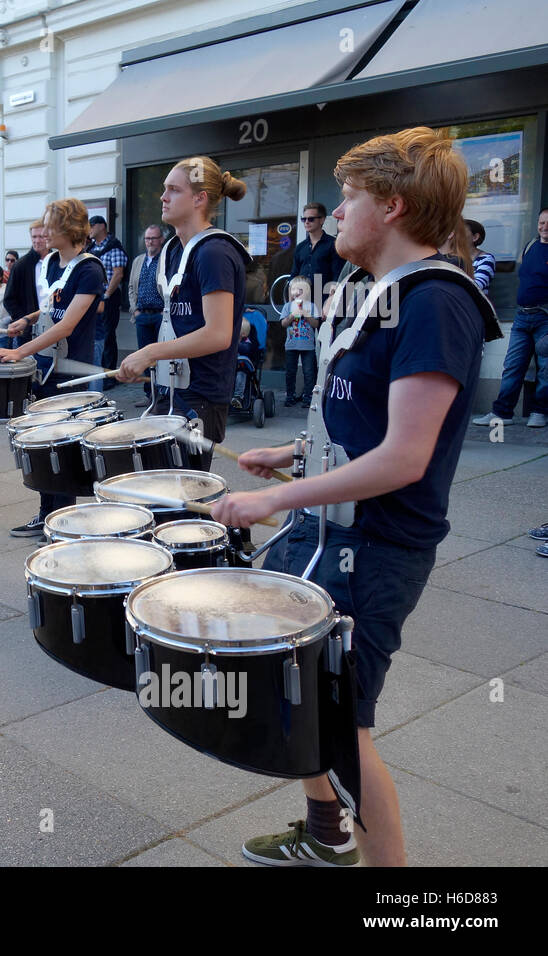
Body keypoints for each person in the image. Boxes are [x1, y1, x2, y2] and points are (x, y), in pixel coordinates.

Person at [212, 126, 492, 868]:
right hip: (330, 530)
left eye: (348, 198)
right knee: (297, 692)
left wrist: (276, 499)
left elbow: (405, 457)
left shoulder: (437, 302)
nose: (335, 213)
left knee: (340, 722)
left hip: (373, 548)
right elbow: (368, 426)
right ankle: (327, 831)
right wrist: (297, 451)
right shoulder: (384, 294)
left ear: (393, 207)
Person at [114, 157, 251, 468]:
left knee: (185, 502)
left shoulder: (214, 252)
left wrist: (150, 352)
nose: (163, 197)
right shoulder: (174, 249)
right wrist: (153, 364)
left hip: (200, 396)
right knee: (163, 496)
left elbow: (218, 334)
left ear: (199, 198)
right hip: (172, 388)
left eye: (173, 190)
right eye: (165, 189)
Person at [0, 199, 105, 536]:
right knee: (42, 448)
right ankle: (45, 515)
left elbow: (67, 324)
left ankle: (65, 525)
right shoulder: (51, 264)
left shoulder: (90, 269)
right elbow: (47, 311)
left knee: (64, 451)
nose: (42, 231)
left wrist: (19, 352)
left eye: (49, 225)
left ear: (69, 228)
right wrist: (23, 321)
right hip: (45, 367)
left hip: (70, 373)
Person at [471, 207, 548, 428]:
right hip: (522, 316)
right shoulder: (531, 246)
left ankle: (539, 412)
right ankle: (502, 413)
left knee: (545, 367)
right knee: (513, 365)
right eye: (541, 222)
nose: (544, 227)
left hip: (545, 317)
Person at [127, 224, 167, 407]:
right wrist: (135, 310)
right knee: (144, 357)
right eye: (147, 238)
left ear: (161, 240)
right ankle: (148, 395)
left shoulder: (166, 260)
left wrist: (164, 311)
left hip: (160, 316)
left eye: (153, 238)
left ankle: (163, 395)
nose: (150, 242)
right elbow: (131, 288)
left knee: (161, 357)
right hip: (142, 316)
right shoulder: (138, 261)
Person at [87, 215, 128, 369]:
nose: (89, 229)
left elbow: (118, 274)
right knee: (95, 334)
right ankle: (97, 369)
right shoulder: (91, 248)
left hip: (107, 296)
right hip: (93, 296)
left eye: (91, 225)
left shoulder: (114, 247)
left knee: (108, 334)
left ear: (102, 226)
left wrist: (106, 295)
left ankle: (109, 372)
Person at [4, 219, 50, 342]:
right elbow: (9, 299)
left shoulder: (56, 261)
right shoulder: (21, 265)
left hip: (54, 326)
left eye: (41, 236)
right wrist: (25, 320)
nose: (37, 240)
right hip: (29, 332)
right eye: (34, 236)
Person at [280, 276, 320, 407]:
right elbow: (283, 324)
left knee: (309, 372)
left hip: (308, 346)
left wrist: (305, 314)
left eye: (300, 290)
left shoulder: (312, 306)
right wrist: (293, 315)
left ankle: (308, 397)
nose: (296, 293)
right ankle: (290, 396)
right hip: (291, 345)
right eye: (294, 290)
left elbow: (316, 324)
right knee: (290, 372)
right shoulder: (287, 306)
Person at [293, 202, 345, 300]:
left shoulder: (333, 244)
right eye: (304, 219)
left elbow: (338, 275)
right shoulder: (300, 247)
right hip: (301, 301)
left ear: (322, 220)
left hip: (323, 300)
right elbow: (294, 275)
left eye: (311, 219)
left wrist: (331, 299)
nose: (307, 222)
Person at [466, 219, 495, 296]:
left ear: (475, 237)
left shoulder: (486, 259)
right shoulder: (450, 257)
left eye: (461, 233)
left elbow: (477, 286)